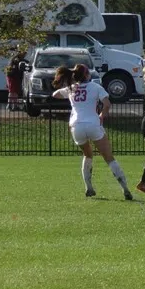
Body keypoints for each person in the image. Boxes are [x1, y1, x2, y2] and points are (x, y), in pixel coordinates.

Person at [51, 64, 132, 200]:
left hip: (76, 126)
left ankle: (89, 188)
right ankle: (125, 190)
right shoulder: (95, 87)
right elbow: (107, 103)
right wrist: (102, 115)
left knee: (87, 155)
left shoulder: (72, 88)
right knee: (109, 158)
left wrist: (70, 93)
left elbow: (55, 94)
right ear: (87, 74)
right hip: (93, 124)